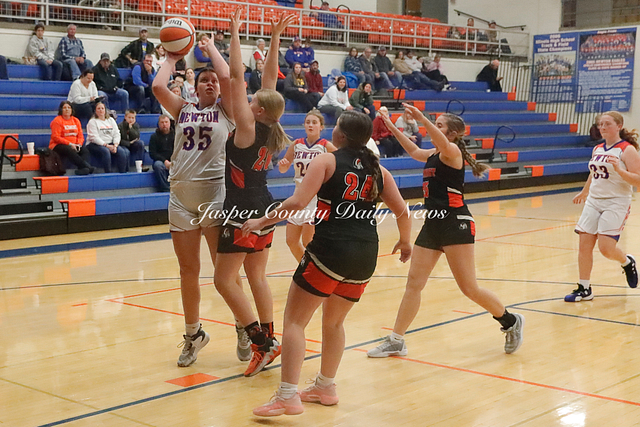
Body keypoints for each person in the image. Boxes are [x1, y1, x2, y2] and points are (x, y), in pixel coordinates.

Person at [248, 110, 412, 417]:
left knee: (294, 322)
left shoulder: (326, 160)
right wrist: (405, 241)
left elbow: (297, 202)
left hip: (331, 249)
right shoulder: (378, 169)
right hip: (366, 255)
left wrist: (261, 221)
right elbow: (402, 211)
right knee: (334, 322)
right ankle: (325, 386)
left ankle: (287, 395)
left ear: (341, 135)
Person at [367, 104, 525, 358]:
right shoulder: (433, 153)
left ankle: (510, 321)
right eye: (435, 123)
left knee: (469, 288)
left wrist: (421, 118)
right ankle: (397, 340)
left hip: (456, 222)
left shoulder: (452, 152)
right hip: (433, 224)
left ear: (451, 134)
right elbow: (413, 150)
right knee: (414, 284)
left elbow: (439, 141)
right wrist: (390, 125)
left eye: (439, 125)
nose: (434, 128)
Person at [210, 9, 296, 378]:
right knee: (257, 276)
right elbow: (269, 80)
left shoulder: (247, 127)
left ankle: (260, 342)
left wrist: (234, 32)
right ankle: (270, 339)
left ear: (257, 108)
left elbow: (235, 77)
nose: (249, 100)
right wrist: (274, 39)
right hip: (265, 203)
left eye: (253, 100)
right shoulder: (270, 125)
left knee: (223, 280)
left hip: (242, 208)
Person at [152, 15, 240, 367]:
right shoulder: (182, 108)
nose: (211, 84)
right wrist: (172, 58)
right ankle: (193, 335)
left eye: (213, 81)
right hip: (181, 196)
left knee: (224, 273)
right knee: (188, 271)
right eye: (204, 80)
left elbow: (230, 78)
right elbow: (158, 87)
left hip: (214, 194)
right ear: (195, 87)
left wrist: (210, 48)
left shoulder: (227, 111)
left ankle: (243, 326)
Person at [565, 112, 640, 302]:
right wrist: (584, 191)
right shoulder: (598, 148)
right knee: (584, 245)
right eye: (600, 124)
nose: (603, 127)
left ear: (619, 126)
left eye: (607, 124)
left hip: (616, 202)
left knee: (606, 248)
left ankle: (627, 262)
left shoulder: (627, 150)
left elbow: (638, 180)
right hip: (594, 201)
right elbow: (594, 172)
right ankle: (584, 288)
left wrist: (620, 170)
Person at [277, 109, 336, 261]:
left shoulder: (326, 146)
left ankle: (316, 270)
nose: (310, 125)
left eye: (314, 122)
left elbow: (340, 166)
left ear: (321, 127)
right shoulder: (296, 144)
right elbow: (283, 169)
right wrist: (283, 165)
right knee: (291, 241)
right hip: (298, 196)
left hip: (315, 198)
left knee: (308, 242)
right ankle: (304, 268)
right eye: (308, 122)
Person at [50, 101, 93, 175]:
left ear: (72, 110)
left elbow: (80, 136)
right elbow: (56, 137)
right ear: (61, 110)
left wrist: (79, 144)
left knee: (84, 150)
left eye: (69, 108)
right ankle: (87, 166)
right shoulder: (57, 121)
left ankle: (83, 169)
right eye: (64, 108)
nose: (67, 109)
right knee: (69, 149)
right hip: (58, 145)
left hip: (74, 144)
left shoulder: (76, 120)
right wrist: (70, 144)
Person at [86, 102, 128, 173]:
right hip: (94, 144)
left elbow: (116, 133)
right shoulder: (92, 121)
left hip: (110, 143)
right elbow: (94, 137)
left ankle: (122, 173)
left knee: (122, 152)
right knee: (106, 151)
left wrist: (115, 145)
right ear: (95, 111)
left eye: (102, 108)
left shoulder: (111, 120)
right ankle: (108, 172)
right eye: (98, 108)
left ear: (105, 110)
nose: (101, 110)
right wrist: (106, 145)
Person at [148, 114, 174, 192]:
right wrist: (165, 161)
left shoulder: (176, 135)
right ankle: (165, 188)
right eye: (162, 122)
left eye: (166, 122)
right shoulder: (154, 137)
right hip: (160, 161)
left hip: (174, 160)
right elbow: (152, 153)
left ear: (170, 123)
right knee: (158, 165)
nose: (164, 124)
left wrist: (173, 162)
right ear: (159, 124)